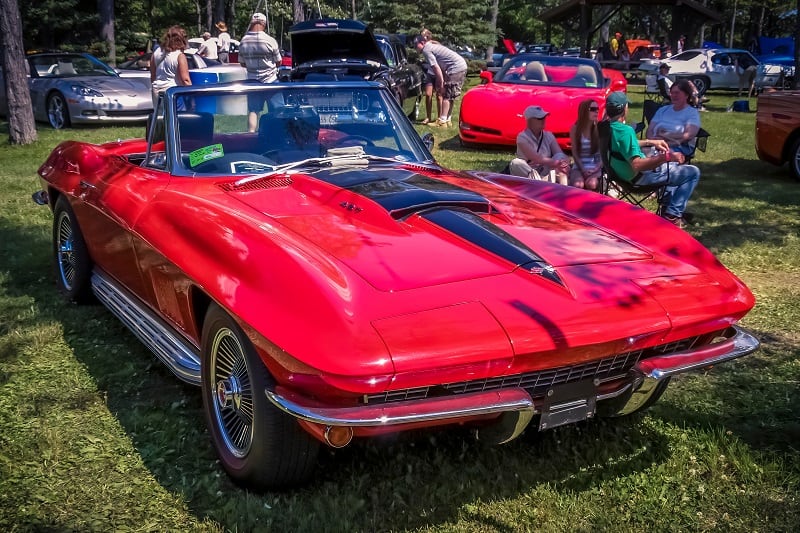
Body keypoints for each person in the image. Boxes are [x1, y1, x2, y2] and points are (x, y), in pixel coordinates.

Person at [605, 91, 700, 227]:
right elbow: (637, 165)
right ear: (623, 109)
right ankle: (672, 215)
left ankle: (667, 208)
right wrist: (666, 157)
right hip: (639, 179)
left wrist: (651, 142)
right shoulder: (626, 131)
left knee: (674, 167)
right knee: (692, 172)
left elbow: (623, 144)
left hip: (618, 175)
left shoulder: (606, 127)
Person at [239, 12, 282, 132]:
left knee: (253, 110)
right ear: (264, 23)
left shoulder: (243, 41)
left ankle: (251, 134)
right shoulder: (270, 40)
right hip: (271, 80)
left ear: (252, 23)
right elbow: (279, 61)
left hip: (252, 81)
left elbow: (242, 63)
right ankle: (277, 133)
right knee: (278, 110)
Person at [413, 34, 468, 127]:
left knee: (447, 95)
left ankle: (442, 121)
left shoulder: (426, 50)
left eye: (415, 45)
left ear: (422, 43)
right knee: (451, 95)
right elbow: (440, 66)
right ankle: (447, 120)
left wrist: (441, 83)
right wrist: (444, 78)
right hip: (460, 66)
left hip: (456, 68)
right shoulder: (430, 46)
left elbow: (436, 68)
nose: (415, 48)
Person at [508, 105, 570, 185]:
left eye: (544, 117)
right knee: (516, 163)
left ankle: (558, 189)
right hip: (528, 172)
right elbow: (537, 158)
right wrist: (558, 163)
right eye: (540, 118)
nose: (543, 120)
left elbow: (559, 153)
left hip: (545, 170)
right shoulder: (522, 137)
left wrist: (564, 161)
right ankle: (541, 183)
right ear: (529, 121)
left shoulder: (548, 135)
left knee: (559, 157)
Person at [646, 79, 701, 157]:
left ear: (686, 95)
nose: (673, 95)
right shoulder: (663, 110)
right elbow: (650, 129)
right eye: (672, 93)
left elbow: (688, 135)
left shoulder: (692, 113)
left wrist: (665, 138)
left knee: (654, 156)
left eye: (677, 93)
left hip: (679, 147)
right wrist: (652, 141)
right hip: (656, 145)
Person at [150, 25, 192, 108]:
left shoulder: (156, 53)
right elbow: (185, 80)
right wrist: (192, 96)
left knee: (161, 118)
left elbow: (153, 76)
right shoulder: (179, 55)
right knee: (178, 119)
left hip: (156, 91)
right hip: (173, 92)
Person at [568, 99, 601, 190]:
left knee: (592, 184)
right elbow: (574, 152)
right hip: (579, 165)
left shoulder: (599, 128)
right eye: (593, 109)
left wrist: (596, 169)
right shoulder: (575, 128)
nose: (597, 111)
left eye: (597, 109)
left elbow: (603, 154)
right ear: (584, 111)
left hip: (595, 167)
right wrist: (582, 169)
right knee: (578, 185)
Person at [418, 29, 442, 125]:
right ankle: (428, 117)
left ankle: (440, 118)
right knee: (428, 95)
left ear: (428, 36)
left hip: (438, 73)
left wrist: (433, 42)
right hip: (430, 73)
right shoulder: (423, 46)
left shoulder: (435, 45)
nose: (421, 38)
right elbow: (419, 51)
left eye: (423, 36)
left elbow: (441, 49)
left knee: (439, 96)